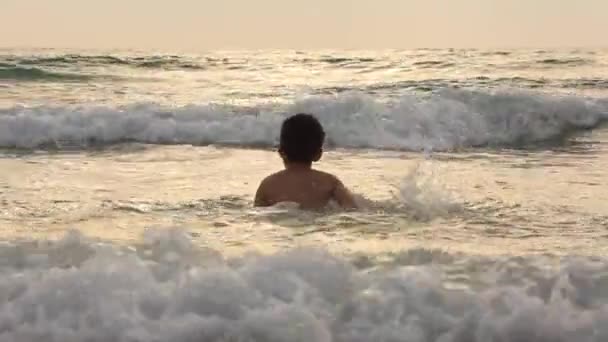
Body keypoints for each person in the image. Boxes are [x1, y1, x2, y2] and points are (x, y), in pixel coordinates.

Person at [254, 113, 357, 210]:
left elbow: (257, 215)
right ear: (318, 154)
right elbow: (351, 209)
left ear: (281, 152)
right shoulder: (329, 182)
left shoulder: (268, 184)